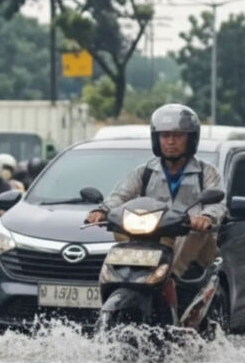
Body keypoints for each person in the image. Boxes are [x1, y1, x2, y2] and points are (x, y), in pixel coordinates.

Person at [86, 104, 226, 292]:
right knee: (121, 230)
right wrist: (101, 211)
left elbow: (217, 203)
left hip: (194, 243)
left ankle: (171, 280)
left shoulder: (207, 172)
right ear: (156, 139)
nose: (170, 141)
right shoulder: (145, 171)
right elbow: (121, 195)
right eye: (165, 136)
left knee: (193, 234)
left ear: (190, 139)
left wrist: (206, 218)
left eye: (177, 136)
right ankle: (116, 284)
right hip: (154, 236)